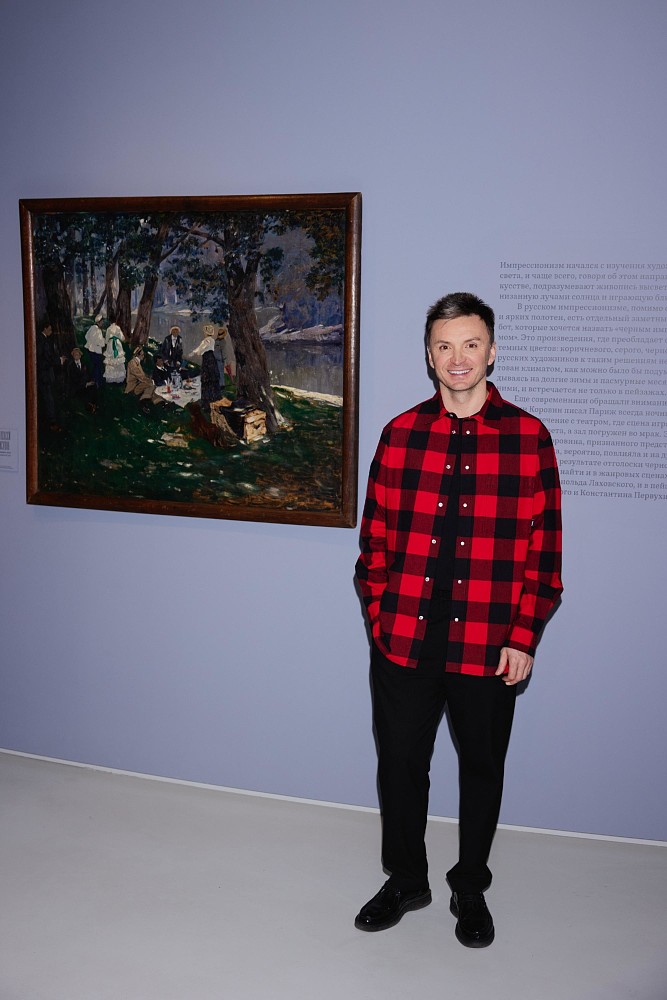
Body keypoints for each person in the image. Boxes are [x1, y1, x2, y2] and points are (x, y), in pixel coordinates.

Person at [354, 292, 563, 947]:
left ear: (491, 351)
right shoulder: (400, 434)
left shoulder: (528, 437)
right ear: (429, 355)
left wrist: (523, 636)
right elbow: (374, 543)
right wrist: (381, 621)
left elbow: (545, 550)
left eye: (470, 344)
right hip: (404, 642)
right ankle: (406, 879)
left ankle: (469, 885)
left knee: (481, 770)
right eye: (444, 346)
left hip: (488, 645)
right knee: (399, 767)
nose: (457, 358)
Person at [84, 315, 105, 388]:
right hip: (95, 351)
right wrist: (103, 342)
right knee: (97, 366)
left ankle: (96, 381)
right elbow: (98, 341)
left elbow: (86, 336)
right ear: (98, 322)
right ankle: (96, 382)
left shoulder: (93, 328)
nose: (102, 323)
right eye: (101, 322)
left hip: (92, 350)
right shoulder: (96, 329)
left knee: (97, 366)